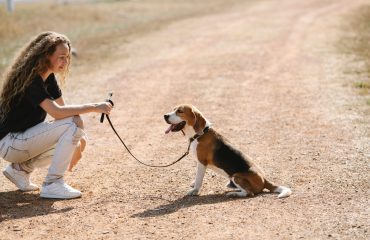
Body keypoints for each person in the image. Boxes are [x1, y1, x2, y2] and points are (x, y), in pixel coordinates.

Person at [0, 31, 113, 199]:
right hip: (10, 143)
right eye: (61, 57)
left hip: (20, 141)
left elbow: (68, 113)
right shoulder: (32, 80)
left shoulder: (49, 78)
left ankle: (19, 170)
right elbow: (58, 113)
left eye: (67, 57)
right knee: (71, 126)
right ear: (46, 56)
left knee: (74, 129)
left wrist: (79, 143)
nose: (65, 61)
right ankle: (53, 184)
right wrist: (96, 106)